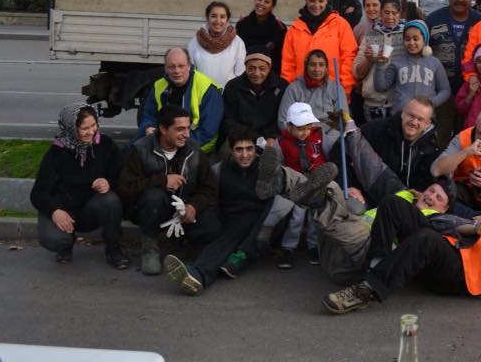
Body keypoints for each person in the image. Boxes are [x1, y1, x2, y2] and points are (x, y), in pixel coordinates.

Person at [163, 127, 338, 295]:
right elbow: (208, 195)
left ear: (256, 149)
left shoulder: (267, 168)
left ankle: (199, 273)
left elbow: (289, 195)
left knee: (256, 216)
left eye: (249, 149)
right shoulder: (219, 170)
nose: (245, 155)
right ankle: (230, 262)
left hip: (265, 225)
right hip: (230, 220)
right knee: (229, 230)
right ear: (231, 151)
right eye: (239, 150)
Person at [321, 211, 481, 314]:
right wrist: (477, 225)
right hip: (453, 245)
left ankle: (366, 291)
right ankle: (374, 269)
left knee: (425, 240)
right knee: (394, 205)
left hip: (459, 276)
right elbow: (466, 227)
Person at [119, 105, 221, 275]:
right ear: (163, 129)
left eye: (188, 128)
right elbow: (125, 188)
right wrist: (162, 180)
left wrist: (193, 207)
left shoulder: (194, 150)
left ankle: (183, 247)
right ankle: (150, 249)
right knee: (154, 197)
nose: (187, 134)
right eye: (180, 129)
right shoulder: (140, 149)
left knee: (212, 226)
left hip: (184, 210)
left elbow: (209, 188)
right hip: (154, 211)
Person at [30, 103, 129, 269]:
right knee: (54, 239)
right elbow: (38, 193)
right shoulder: (57, 152)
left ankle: (114, 248)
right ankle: (65, 244)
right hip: (65, 209)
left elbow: (123, 177)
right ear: (71, 128)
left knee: (110, 200)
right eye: (84, 128)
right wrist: (55, 211)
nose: (91, 132)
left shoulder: (106, 145)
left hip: (92, 209)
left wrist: (108, 182)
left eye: (93, 125)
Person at [311, 179, 456, 284]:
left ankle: (318, 200)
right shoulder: (404, 195)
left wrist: (476, 225)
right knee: (336, 189)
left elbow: (459, 225)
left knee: (332, 196)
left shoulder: (435, 220)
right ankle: (293, 183)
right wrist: (355, 193)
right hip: (332, 249)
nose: (431, 197)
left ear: (444, 209)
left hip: (356, 260)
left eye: (438, 198)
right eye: (431, 190)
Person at [345, 97, 443, 204]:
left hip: (405, 205)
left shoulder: (432, 148)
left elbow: (432, 183)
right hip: (365, 196)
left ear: (427, 124)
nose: (414, 122)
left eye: (420, 119)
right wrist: (349, 186)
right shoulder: (377, 129)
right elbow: (344, 147)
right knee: (352, 206)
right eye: (411, 115)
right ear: (402, 114)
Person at [426, 0, 481, 145]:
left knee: (466, 135)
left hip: (471, 90)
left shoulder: (479, 21)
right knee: (439, 135)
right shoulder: (434, 19)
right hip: (439, 89)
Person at [275, 102, 330, 268]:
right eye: (300, 128)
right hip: (297, 184)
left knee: (315, 216)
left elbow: (327, 153)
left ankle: (313, 245)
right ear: (289, 126)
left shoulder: (318, 135)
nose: (305, 132)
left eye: (308, 127)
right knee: (297, 217)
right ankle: (288, 247)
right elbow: (280, 165)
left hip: (317, 181)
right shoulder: (283, 142)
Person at [137, 47, 223, 153]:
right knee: (131, 151)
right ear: (165, 68)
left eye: (181, 66)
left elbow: (207, 132)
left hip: (197, 147)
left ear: (189, 66)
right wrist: (147, 127)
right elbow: (148, 116)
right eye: (172, 67)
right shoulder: (159, 86)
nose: (176, 71)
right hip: (164, 143)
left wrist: (173, 142)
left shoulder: (207, 89)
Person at [281, 0, 358, 96]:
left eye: (321, 1)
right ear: (306, 0)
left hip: (332, 92)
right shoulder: (294, 29)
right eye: (312, 1)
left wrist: (343, 89)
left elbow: (349, 58)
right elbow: (288, 64)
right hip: (301, 93)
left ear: (327, 1)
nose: (316, 5)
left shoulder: (340, 25)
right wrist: (289, 91)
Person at [219, 47, 288, 155]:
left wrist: (272, 137)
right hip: (240, 137)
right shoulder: (233, 87)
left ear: (269, 68)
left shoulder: (281, 86)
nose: (256, 73)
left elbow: (283, 118)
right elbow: (228, 121)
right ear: (245, 67)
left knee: (279, 154)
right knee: (226, 153)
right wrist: (253, 137)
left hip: (271, 137)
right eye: (251, 68)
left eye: (262, 68)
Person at [374, 20, 450, 113]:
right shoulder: (397, 61)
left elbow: (445, 90)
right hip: (400, 115)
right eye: (407, 39)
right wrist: (380, 64)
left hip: (425, 117)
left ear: (425, 40)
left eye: (416, 39)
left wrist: (431, 103)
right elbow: (380, 87)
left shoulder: (434, 62)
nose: (411, 43)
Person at [353, 0, 405, 121]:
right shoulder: (371, 35)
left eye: (394, 13)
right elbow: (356, 72)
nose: (390, 17)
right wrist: (369, 60)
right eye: (386, 12)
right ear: (381, 12)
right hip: (373, 102)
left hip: (399, 101)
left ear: (400, 14)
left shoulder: (406, 35)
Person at [278, 49, 350, 136]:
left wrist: (328, 139)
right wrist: (301, 134)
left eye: (321, 65)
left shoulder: (336, 89)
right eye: (312, 65)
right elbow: (282, 121)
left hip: (329, 137)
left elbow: (343, 120)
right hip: (301, 136)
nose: (317, 69)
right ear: (306, 66)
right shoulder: (293, 89)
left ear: (326, 68)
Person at [187, 1, 246, 87]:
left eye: (222, 17)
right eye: (214, 16)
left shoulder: (237, 42)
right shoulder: (195, 42)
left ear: (227, 20)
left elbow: (240, 73)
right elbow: (190, 71)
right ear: (207, 18)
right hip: (202, 93)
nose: (218, 21)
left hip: (228, 95)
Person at [236, 0, 286, 71]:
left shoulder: (279, 28)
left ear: (272, 6)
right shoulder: (242, 24)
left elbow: (281, 57)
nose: (261, 3)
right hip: (244, 72)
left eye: (266, 1)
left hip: (269, 75)